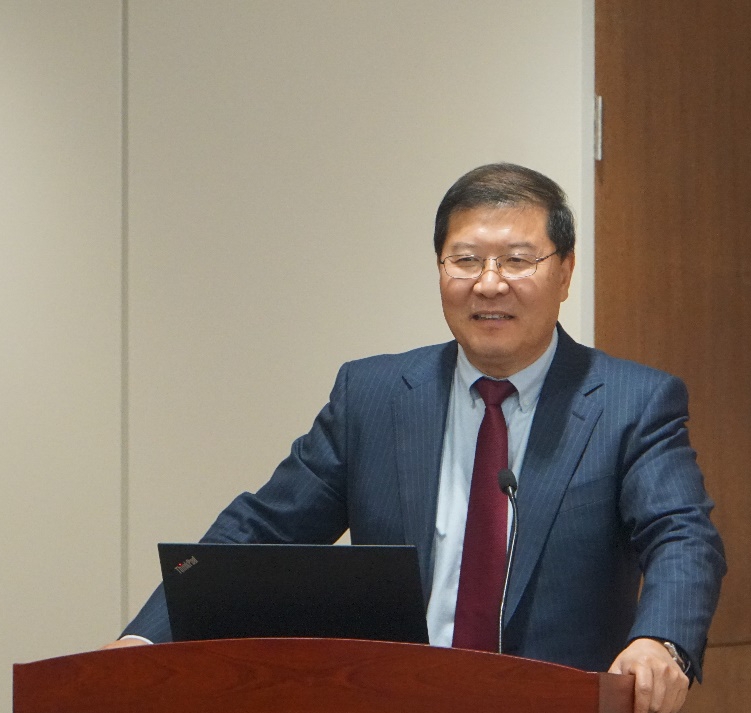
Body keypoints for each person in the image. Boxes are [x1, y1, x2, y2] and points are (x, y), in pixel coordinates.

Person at [105, 163, 725, 713]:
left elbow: (682, 535)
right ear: (439, 269)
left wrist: (660, 640)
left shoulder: (630, 403)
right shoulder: (372, 397)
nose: (489, 284)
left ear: (564, 271)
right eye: (465, 260)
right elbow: (264, 531)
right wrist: (148, 638)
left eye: (517, 260)